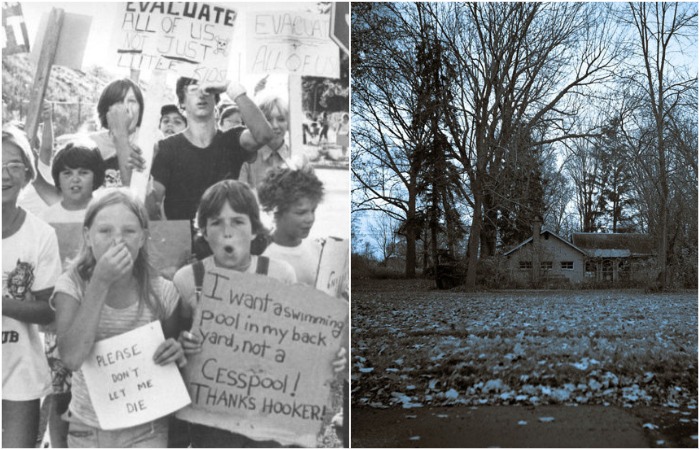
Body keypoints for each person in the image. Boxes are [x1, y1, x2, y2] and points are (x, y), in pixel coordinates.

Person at [53, 189, 185, 447]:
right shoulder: (72, 285)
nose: (117, 241)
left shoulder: (163, 292)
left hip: (148, 428)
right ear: (87, 236)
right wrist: (100, 282)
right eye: (105, 231)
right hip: (88, 428)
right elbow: (71, 357)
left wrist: (176, 351)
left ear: (143, 239)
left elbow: (173, 362)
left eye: (129, 231)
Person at [173, 179, 296, 447]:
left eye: (238, 222)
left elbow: (296, 344)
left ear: (254, 230)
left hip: (265, 411)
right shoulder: (187, 279)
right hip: (212, 417)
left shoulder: (280, 274)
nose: (227, 233)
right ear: (204, 231)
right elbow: (177, 339)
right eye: (217, 223)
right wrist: (183, 344)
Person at [2, 125, 62, 448]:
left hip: (19, 373)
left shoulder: (41, 235)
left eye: (13, 165)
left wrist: (4, 305)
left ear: (27, 172)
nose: (4, 175)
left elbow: (48, 311)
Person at [149, 77, 273, 222]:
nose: (201, 95)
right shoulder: (167, 148)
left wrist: (231, 87)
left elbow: (264, 135)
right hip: (182, 241)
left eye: (208, 90)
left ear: (216, 98)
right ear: (181, 102)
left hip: (224, 237)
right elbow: (153, 205)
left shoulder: (232, 140)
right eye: (194, 89)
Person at [257, 166, 325, 286]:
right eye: (301, 212)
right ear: (276, 210)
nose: (310, 219)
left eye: (313, 210)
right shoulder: (265, 259)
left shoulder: (317, 249)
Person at [238, 96, 308, 190]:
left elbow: (309, 198)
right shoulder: (246, 159)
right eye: (268, 120)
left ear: (288, 123)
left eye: (281, 119)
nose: (275, 125)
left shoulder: (300, 158)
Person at [87, 78, 146, 188]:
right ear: (106, 110)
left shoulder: (150, 139)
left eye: (132, 101)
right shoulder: (92, 143)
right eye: (118, 102)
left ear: (141, 108)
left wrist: (120, 133)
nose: (125, 108)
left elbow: (136, 189)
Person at [39, 140, 105, 224]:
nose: (75, 179)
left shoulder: (107, 214)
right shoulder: (46, 218)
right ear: (58, 178)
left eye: (83, 173)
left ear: (96, 176)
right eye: (68, 173)